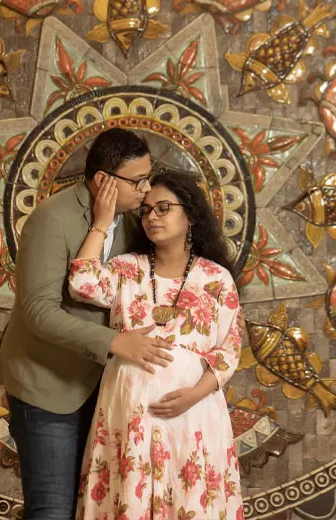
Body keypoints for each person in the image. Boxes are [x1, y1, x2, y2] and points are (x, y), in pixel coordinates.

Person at [0, 128, 176, 520]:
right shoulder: (51, 220)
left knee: (98, 508)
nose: (146, 189)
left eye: (148, 177)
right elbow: (38, 311)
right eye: (137, 181)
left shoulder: (136, 221)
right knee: (53, 509)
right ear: (103, 180)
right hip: (47, 384)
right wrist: (114, 342)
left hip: (107, 390)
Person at [68, 170, 245, 520]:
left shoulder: (216, 278)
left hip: (193, 414)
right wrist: (102, 222)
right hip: (128, 413)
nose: (152, 217)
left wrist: (194, 395)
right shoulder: (125, 269)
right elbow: (82, 283)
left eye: (164, 208)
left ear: (190, 215)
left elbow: (229, 350)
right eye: (146, 210)